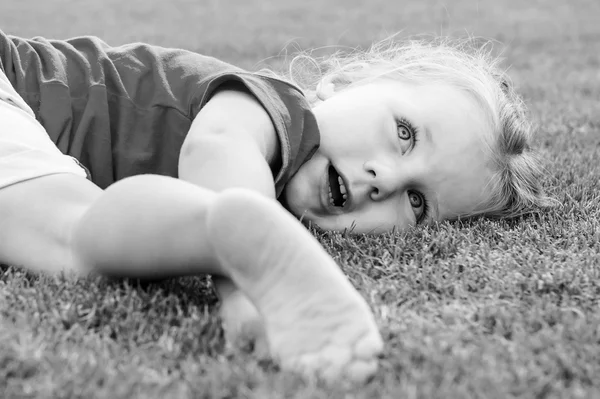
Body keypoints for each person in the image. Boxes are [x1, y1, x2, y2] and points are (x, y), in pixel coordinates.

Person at [0, 30, 549, 382]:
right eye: (404, 133)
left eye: (416, 201)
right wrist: (244, 283)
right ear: (344, 85)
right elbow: (218, 152)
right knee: (70, 236)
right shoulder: (278, 107)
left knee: (79, 238)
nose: (385, 177)